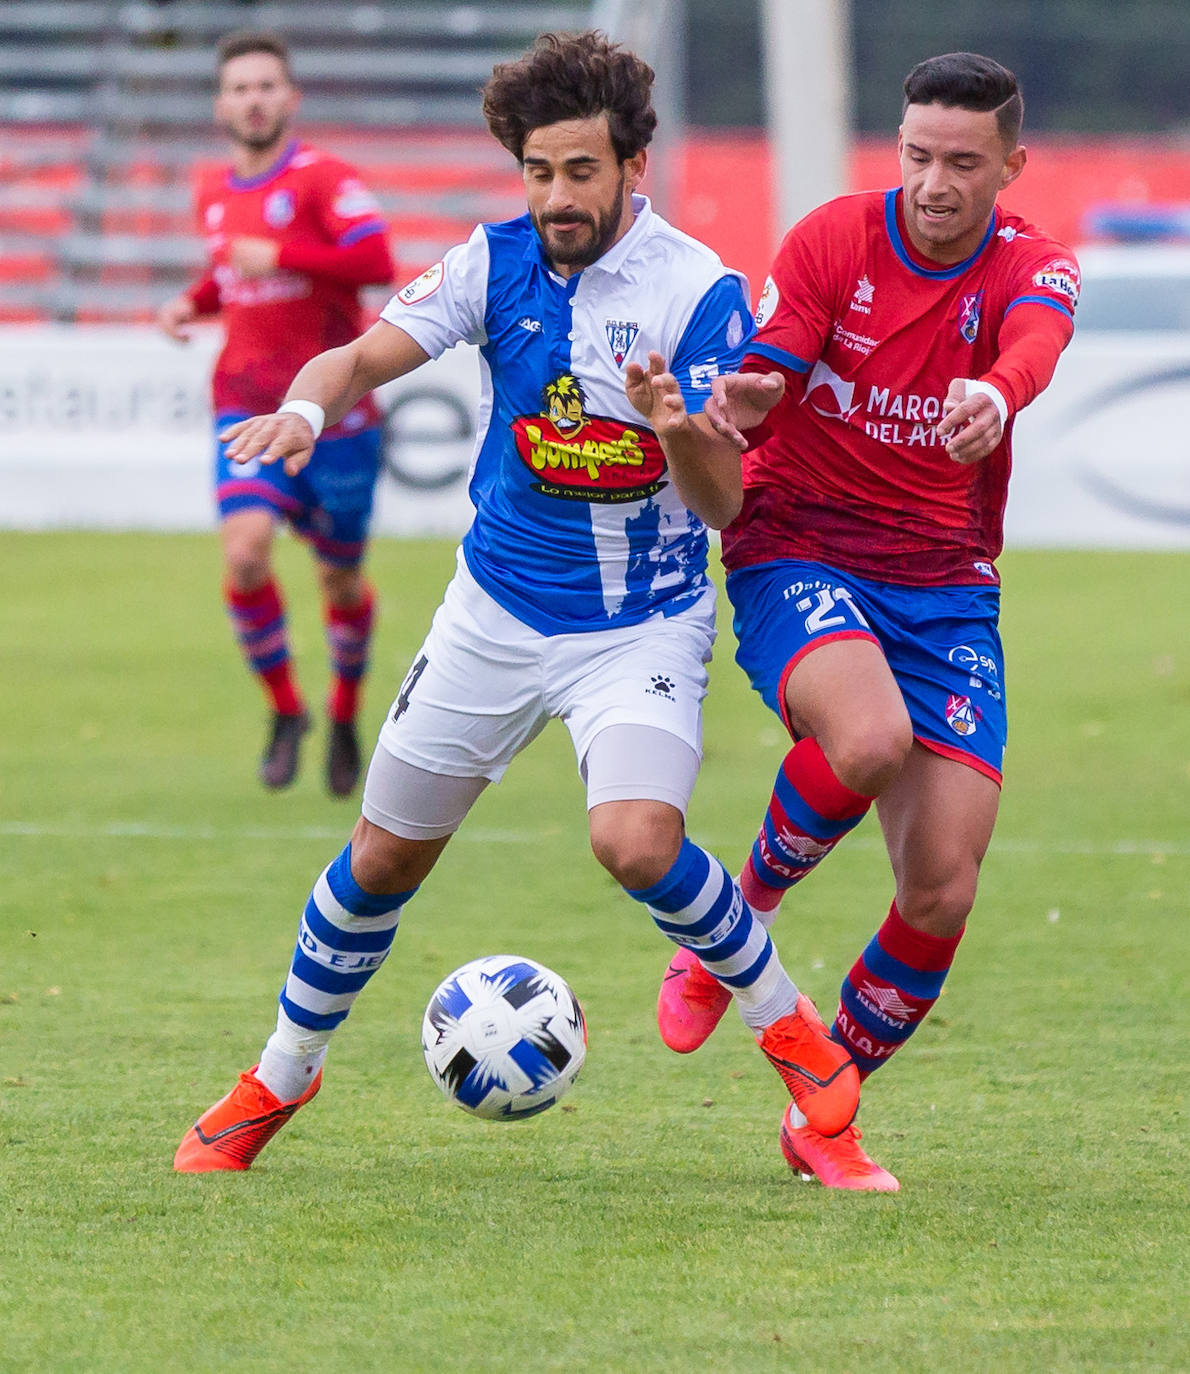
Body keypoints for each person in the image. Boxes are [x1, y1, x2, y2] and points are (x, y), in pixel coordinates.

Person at [173, 30, 860, 1175]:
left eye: (578, 171)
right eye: (536, 171)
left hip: (636, 624)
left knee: (635, 842)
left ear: (631, 164)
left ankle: (794, 1036)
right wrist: (303, 407)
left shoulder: (697, 292)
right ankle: (276, 1080)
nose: (554, 196)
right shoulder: (493, 263)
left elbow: (723, 502)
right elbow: (353, 357)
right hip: (492, 615)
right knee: (380, 860)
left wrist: (671, 426)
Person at [655, 52, 1080, 1191]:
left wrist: (995, 394)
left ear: (1009, 166)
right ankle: (733, 924)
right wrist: (743, 398)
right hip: (798, 546)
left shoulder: (1033, 267)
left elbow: (1033, 342)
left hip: (943, 585)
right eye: (915, 156)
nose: (933, 182)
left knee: (942, 886)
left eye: (960, 162)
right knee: (867, 738)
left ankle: (822, 1110)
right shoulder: (833, 238)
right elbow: (773, 363)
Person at [158, 30, 395, 796]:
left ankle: (346, 710)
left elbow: (376, 262)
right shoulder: (213, 191)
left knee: (341, 585)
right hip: (245, 408)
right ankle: (288, 711)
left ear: (289, 99)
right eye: (239, 87)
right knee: (245, 552)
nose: (253, 99)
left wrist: (286, 254)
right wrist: (190, 303)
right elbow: (228, 276)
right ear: (221, 103)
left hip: (334, 420)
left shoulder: (325, 179)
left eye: (266, 86)